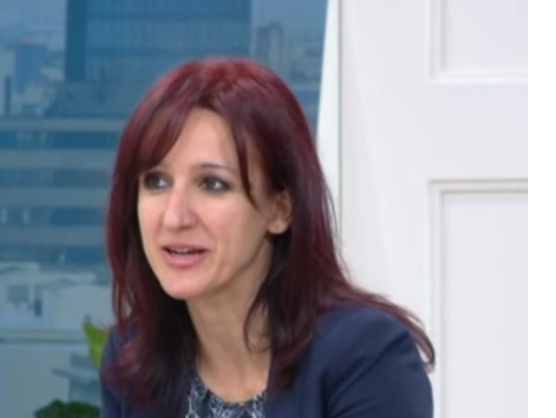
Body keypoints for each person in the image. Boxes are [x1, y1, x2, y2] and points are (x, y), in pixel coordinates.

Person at [100, 57, 434, 418]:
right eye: (157, 181)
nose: (174, 217)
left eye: (212, 184)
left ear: (280, 209)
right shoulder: (133, 355)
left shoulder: (366, 357)